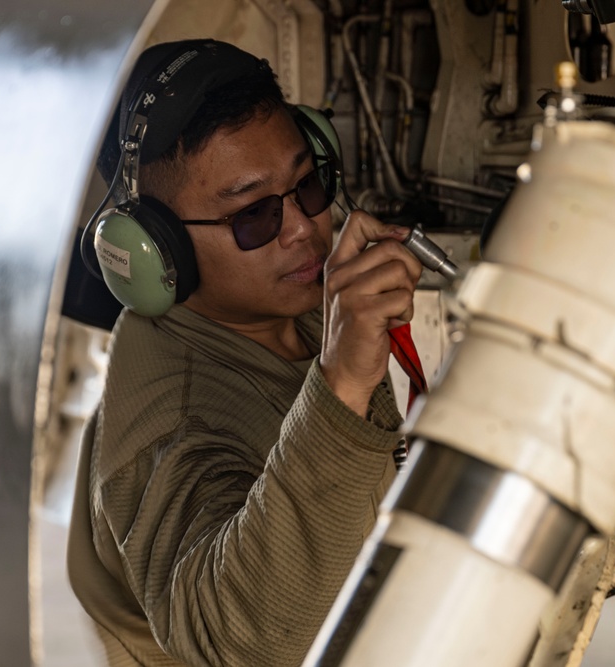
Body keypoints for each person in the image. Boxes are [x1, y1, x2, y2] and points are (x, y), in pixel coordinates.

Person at [67, 38, 422, 667]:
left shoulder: (293, 304)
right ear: (160, 250)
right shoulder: (166, 421)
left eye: (308, 186)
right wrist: (341, 382)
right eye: (253, 215)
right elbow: (239, 640)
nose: (302, 229)